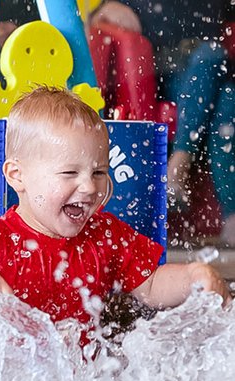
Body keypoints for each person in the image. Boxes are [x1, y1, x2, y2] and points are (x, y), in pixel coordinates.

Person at [0, 87, 231, 342]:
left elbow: (150, 286)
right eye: (69, 172)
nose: (89, 187)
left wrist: (193, 277)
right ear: (17, 175)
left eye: (98, 172)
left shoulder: (106, 234)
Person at [90, 0, 235, 245]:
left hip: (209, 75)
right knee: (214, 59)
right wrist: (101, 12)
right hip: (159, 76)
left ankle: (180, 166)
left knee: (228, 95)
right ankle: (226, 208)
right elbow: (87, 24)